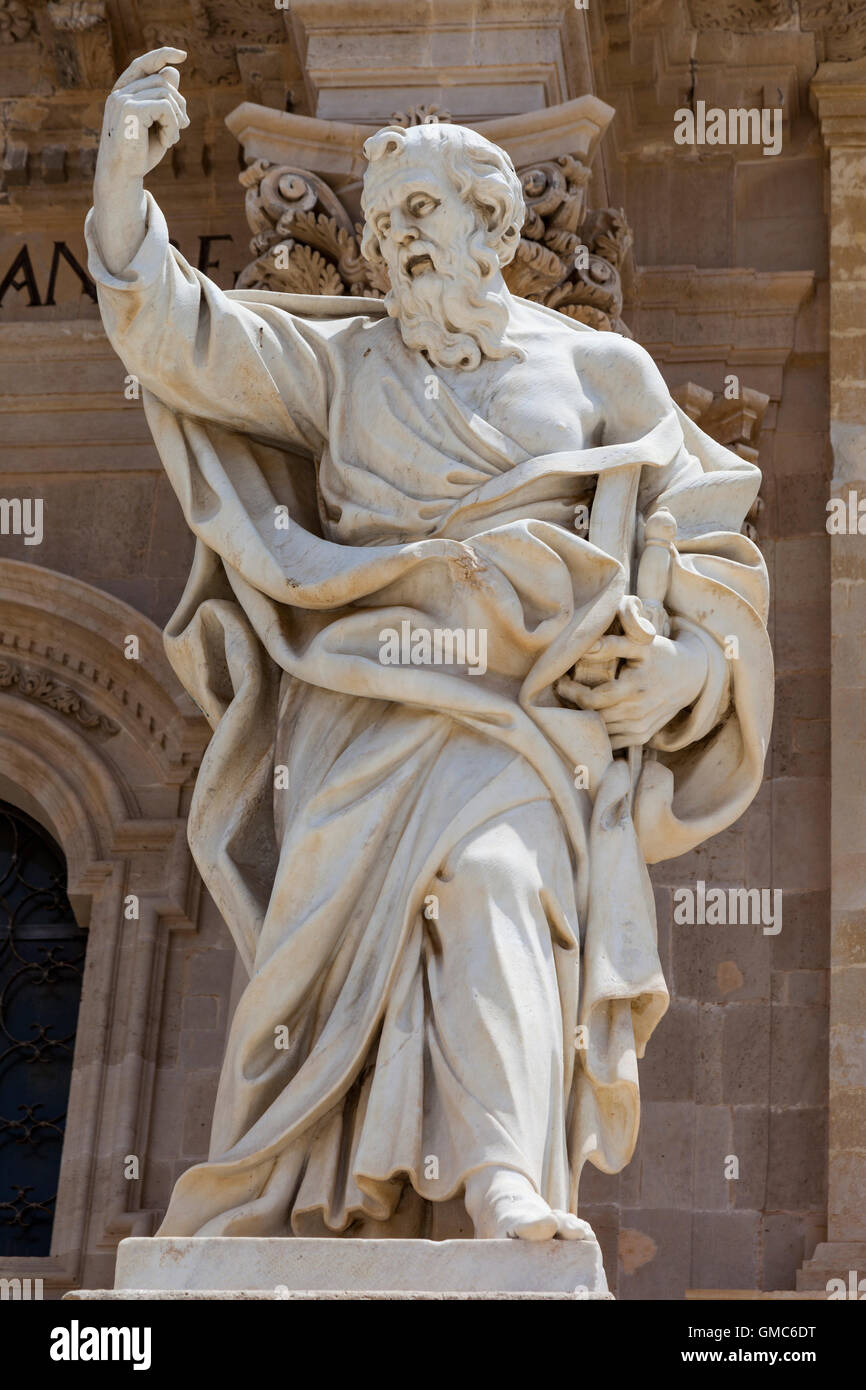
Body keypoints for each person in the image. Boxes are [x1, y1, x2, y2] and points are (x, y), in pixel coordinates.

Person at [87, 48, 773, 1241]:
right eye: (384, 214)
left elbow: (710, 550)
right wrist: (117, 192)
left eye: (418, 210)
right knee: (304, 960)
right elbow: (185, 339)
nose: (391, 235)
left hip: (515, 721)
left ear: (495, 225)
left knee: (498, 884)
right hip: (360, 708)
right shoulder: (342, 366)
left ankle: (504, 1179)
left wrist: (690, 668)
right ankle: (282, 1189)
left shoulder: (599, 371)